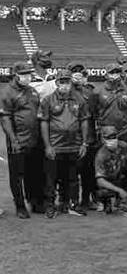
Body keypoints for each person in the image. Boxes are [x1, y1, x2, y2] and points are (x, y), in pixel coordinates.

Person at [39, 70, 89, 218]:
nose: (65, 85)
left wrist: (84, 143)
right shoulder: (48, 100)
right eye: (62, 82)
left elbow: (84, 121)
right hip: (55, 146)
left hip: (74, 145)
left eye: (67, 82)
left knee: (73, 178)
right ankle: (50, 205)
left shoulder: (79, 99)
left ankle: (71, 203)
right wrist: (47, 146)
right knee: (51, 178)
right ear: (57, 83)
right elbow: (44, 123)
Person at [0, 62, 44, 218]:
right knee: (17, 175)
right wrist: (13, 139)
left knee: (35, 172)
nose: (28, 77)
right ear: (16, 75)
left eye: (29, 74)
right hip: (18, 139)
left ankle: (34, 201)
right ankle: (20, 206)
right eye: (24, 75)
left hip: (34, 139)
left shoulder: (32, 91)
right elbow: (5, 118)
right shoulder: (8, 93)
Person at [69, 61, 99, 212]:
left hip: (89, 138)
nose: (78, 74)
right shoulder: (64, 92)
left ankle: (87, 200)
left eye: (81, 72)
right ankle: (71, 201)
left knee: (88, 173)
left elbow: (95, 116)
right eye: (74, 71)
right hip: (70, 139)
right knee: (72, 173)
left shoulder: (90, 93)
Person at [94, 126, 127, 215]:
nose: (112, 140)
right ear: (103, 139)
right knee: (102, 192)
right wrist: (119, 190)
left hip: (120, 176)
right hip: (109, 181)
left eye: (113, 137)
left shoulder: (123, 146)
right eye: (108, 138)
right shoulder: (101, 156)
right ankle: (107, 202)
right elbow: (100, 180)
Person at [92, 63, 127, 145]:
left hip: (124, 131)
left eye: (117, 72)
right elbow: (94, 112)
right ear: (106, 75)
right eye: (112, 72)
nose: (115, 75)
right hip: (106, 131)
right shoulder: (97, 91)